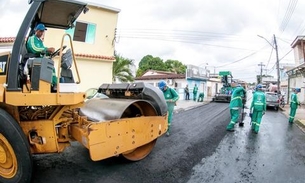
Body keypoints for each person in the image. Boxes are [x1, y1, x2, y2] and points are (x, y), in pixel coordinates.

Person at [26, 23, 57, 90]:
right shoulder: (32, 38)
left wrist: (50, 52)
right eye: (40, 31)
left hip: (39, 59)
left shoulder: (39, 41)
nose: (41, 33)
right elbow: (34, 48)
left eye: (42, 31)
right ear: (36, 30)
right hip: (34, 59)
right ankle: (52, 85)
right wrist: (47, 49)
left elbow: (43, 51)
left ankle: (54, 84)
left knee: (51, 64)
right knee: (48, 63)